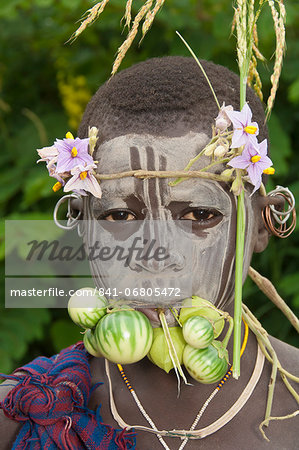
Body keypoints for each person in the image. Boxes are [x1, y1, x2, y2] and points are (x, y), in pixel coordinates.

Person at [1, 56, 298, 449]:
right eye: (120, 215)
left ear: (261, 224)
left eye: (198, 214)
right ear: (82, 224)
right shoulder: (25, 409)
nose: (155, 253)